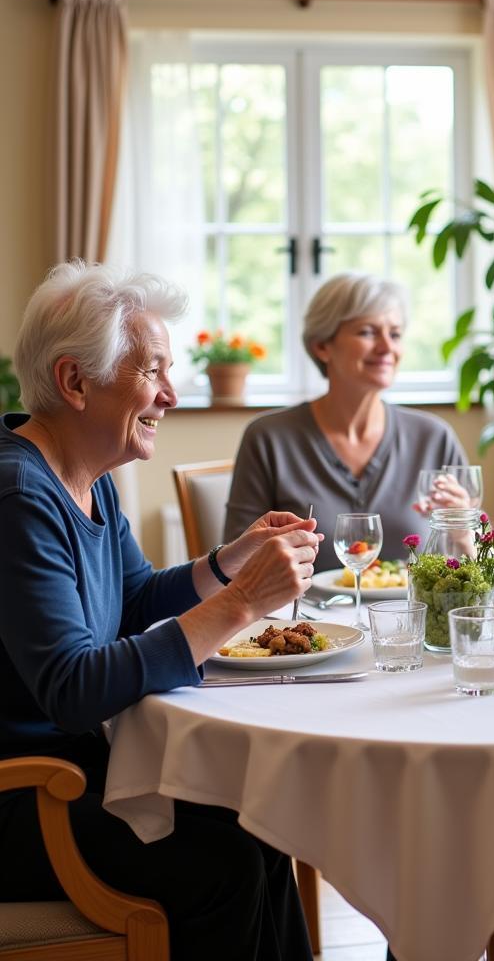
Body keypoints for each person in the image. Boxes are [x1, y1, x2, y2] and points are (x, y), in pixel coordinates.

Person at [0, 260, 322, 961]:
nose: (171, 394)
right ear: (74, 381)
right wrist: (242, 603)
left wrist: (226, 562)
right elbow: (75, 688)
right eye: (152, 371)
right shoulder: (20, 497)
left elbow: (136, 599)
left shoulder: (86, 478)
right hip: (27, 793)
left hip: (78, 770)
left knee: (264, 826)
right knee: (226, 867)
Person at [225, 273, 470, 566]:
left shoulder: (434, 438)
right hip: (300, 612)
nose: (386, 348)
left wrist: (463, 531)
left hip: (412, 612)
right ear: (322, 346)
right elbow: (235, 564)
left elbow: (478, 573)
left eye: (394, 334)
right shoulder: (268, 438)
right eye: (367, 332)